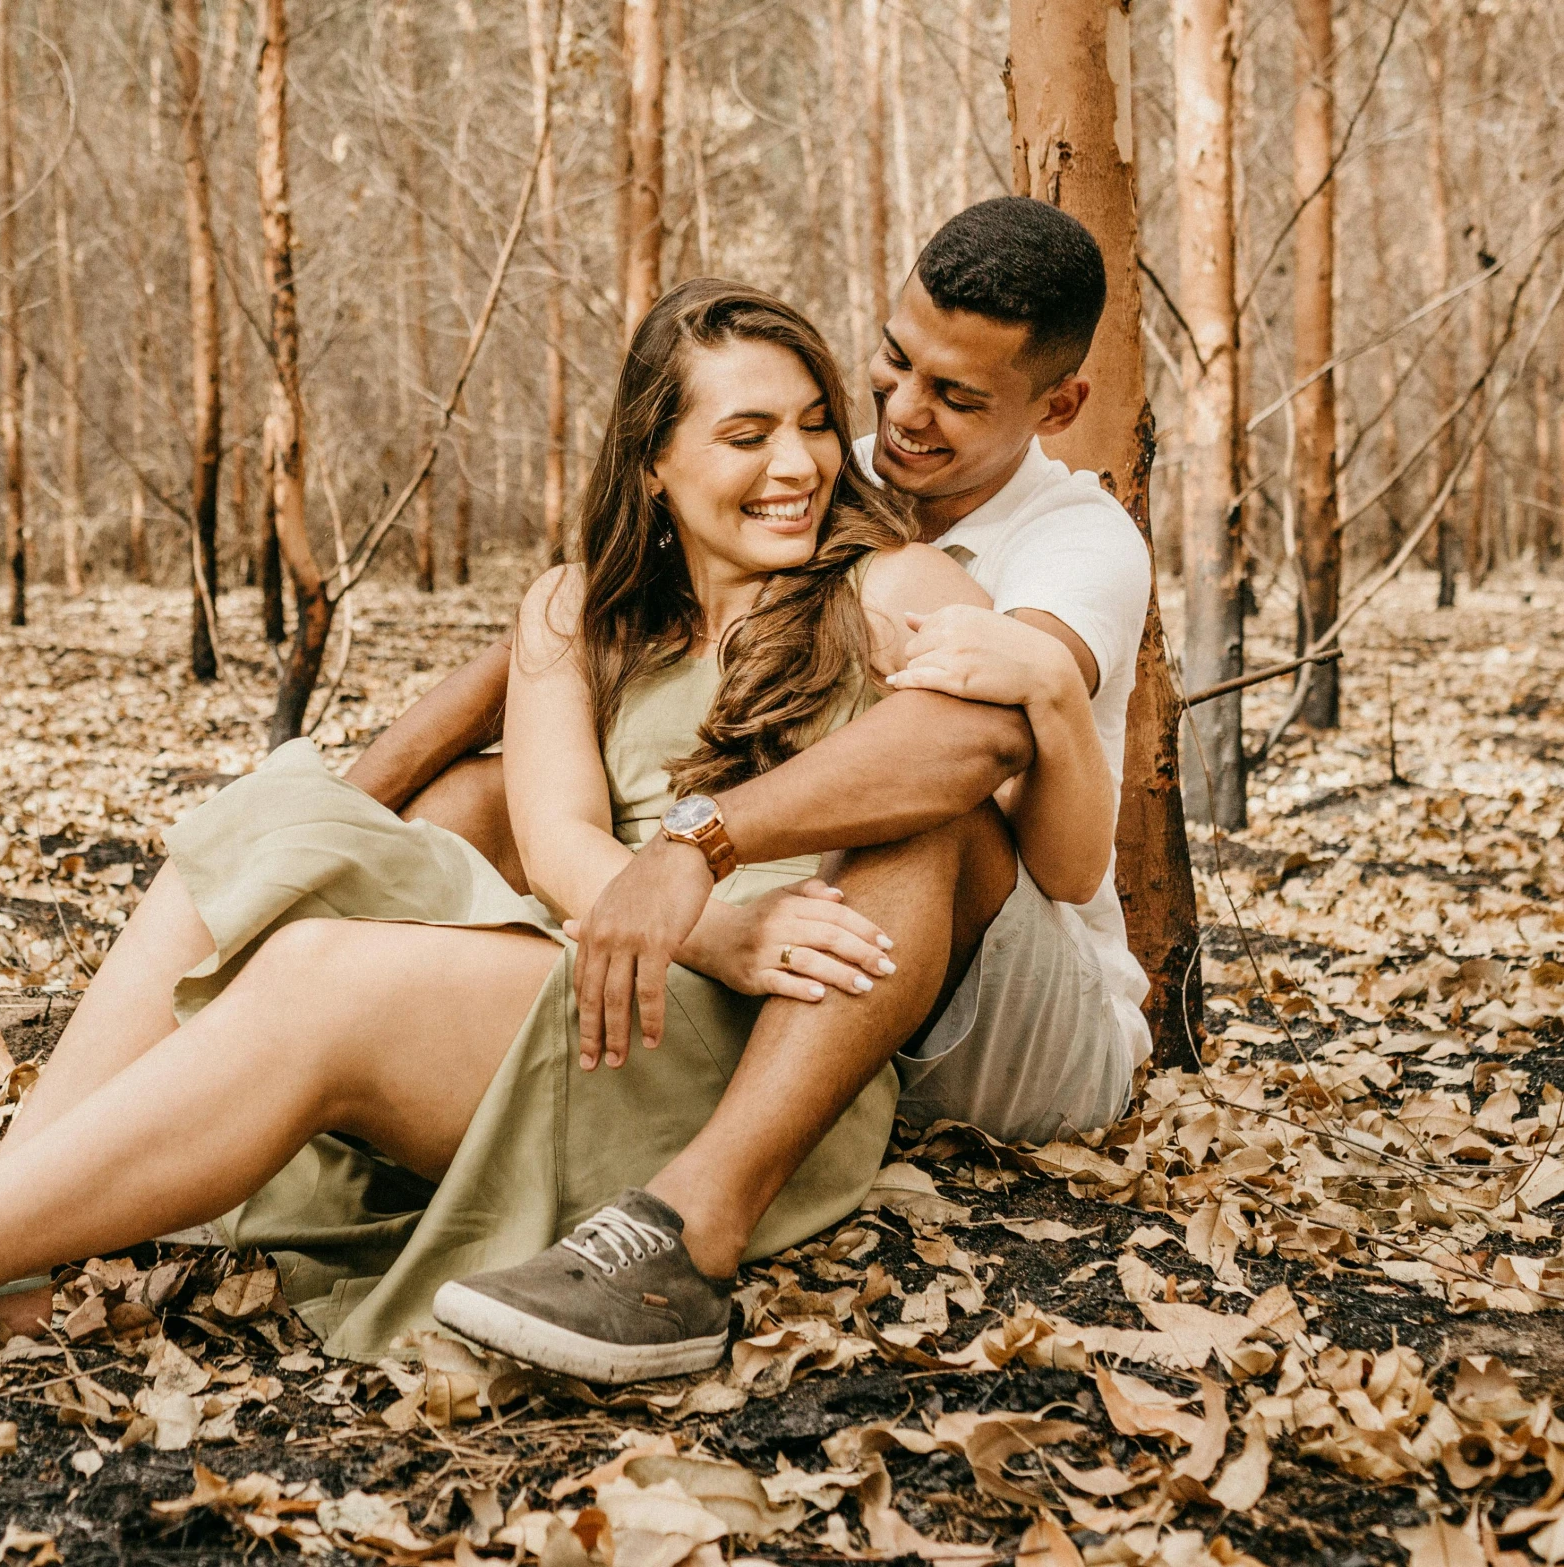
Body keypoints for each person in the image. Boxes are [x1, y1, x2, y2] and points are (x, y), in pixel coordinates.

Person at [0, 278, 1106, 1401]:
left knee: (319, 971)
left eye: (809, 426)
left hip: (757, 1045)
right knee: (269, 815)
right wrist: (677, 904)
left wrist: (702, 857)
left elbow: (969, 748)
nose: (793, 464)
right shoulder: (578, 613)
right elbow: (569, 839)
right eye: (745, 433)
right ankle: (5, 1225)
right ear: (650, 460)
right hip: (624, 973)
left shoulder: (888, 586)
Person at [430, 196, 1157, 1380]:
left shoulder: (1079, 548)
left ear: (1055, 406)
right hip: (848, 982)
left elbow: (963, 759)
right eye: (892, 359)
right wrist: (327, 804)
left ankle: (689, 1237)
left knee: (919, 796)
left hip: (1018, 1020)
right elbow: (568, 627)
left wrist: (696, 847)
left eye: (957, 396)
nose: (901, 415)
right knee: (476, 795)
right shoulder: (836, 460)